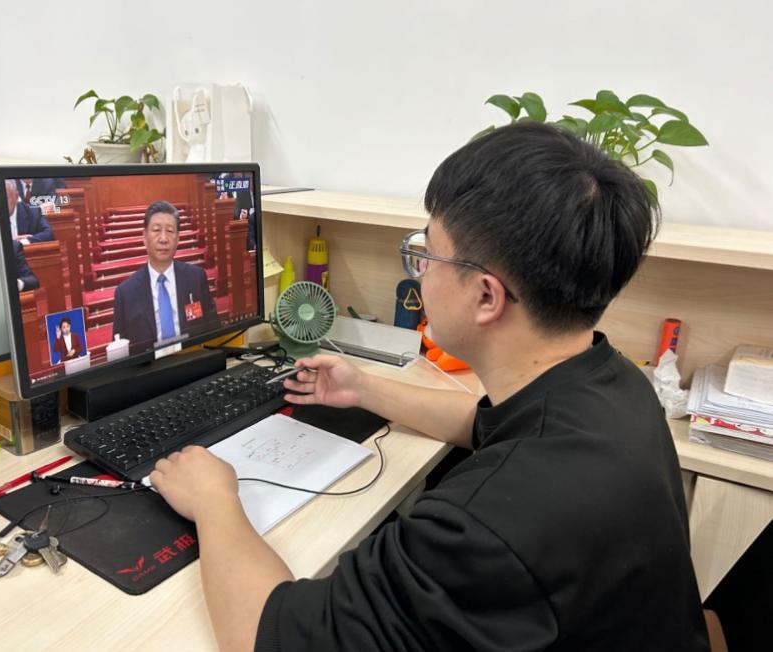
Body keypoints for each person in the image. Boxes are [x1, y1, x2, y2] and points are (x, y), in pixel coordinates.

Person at [149, 123, 710, 652]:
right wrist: (364, 389)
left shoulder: (483, 529)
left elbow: (266, 636)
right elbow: (485, 422)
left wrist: (215, 501)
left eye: (427, 254)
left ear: (486, 296)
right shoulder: (613, 384)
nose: (419, 271)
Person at [112, 200, 219, 353]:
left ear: (178, 238)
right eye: (156, 230)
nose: (163, 239)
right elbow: (119, 349)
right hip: (149, 367)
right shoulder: (125, 293)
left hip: (192, 360)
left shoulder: (196, 278)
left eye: (169, 231)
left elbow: (213, 329)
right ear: (144, 237)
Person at [4, 179, 54, 244]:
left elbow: (48, 234)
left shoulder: (33, 213)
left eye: (5, 198)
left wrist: (25, 241)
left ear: (16, 197)